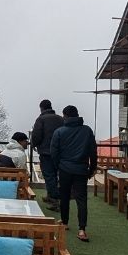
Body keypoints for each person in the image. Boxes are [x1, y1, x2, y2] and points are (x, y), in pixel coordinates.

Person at [49, 104, 96, 241]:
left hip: (64, 169)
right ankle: (82, 230)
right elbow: (92, 151)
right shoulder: (87, 131)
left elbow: (54, 152)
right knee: (81, 199)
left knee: (64, 196)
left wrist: (58, 166)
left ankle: (64, 222)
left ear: (65, 116)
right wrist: (92, 168)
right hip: (81, 169)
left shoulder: (59, 132)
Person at [30, 99, 64, 208]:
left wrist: (34, 144)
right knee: (56, 175)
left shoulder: (41, 119)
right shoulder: (60, 119)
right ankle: (51, 196)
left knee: (49, 176)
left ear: (41, 108)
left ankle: (55, 200)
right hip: (59, 153)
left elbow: (36, 136)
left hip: (46, 152)